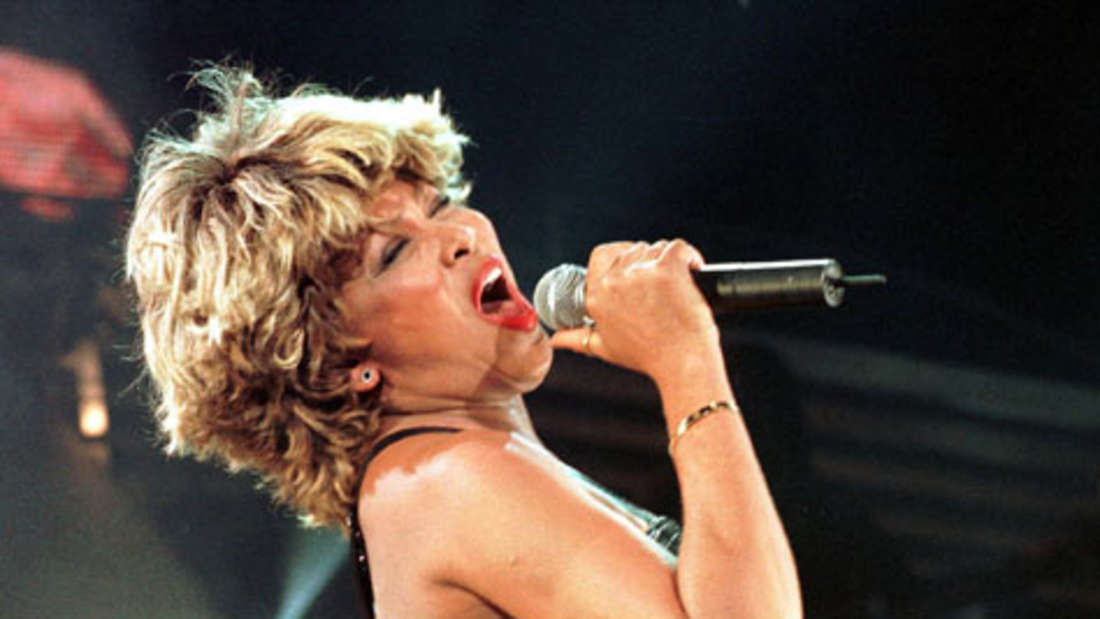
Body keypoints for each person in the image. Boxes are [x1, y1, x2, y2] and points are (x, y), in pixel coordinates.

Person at [126, 64, 801, 618]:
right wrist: (686, 360)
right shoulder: (447, 480)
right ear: (335, 363)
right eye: (394, 253)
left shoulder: (441, 475)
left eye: (439, 205)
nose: (460, 235)